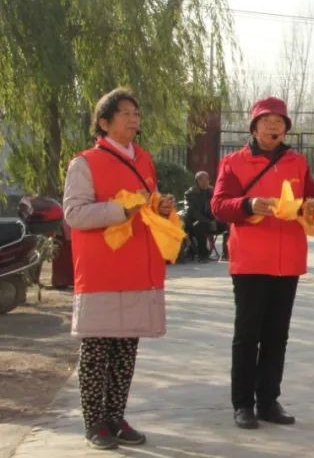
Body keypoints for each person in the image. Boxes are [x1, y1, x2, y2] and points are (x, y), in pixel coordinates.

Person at [63, 88, 177, 450]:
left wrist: (160, 207)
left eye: (136, 113)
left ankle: (116, 416)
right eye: (125, 113)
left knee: (126, 349)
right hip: (101, 272)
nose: (134, 119)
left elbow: (147, 204)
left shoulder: (144, 159)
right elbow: (75, 214)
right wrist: (120, 210)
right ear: (103, 122)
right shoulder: (85, 163)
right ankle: (94, 422)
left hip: (138, 268)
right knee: (97, 350)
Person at [211, 96, 314, 430]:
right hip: (249, 259)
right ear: (254, 126)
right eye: (266, 121)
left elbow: (312, 201)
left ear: (286, 127)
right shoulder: (233, 162)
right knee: (247, 334)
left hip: (288, 259)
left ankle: (268, 400)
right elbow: (219, 206)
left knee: (277, 334)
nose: (274, 126)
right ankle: (243, 404)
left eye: (280, 122)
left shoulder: (297, 163)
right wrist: (248, 204)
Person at [183, 171, 216, 262]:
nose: (205, 182)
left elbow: (218, 206)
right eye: (201, 179)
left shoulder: (212, 191)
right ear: (197, 181)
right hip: (194, 222)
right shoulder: (190, 193)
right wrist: (209, 222)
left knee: (229, 223)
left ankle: (227, 253)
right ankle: (202, 255)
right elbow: (192, 212)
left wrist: (216, 219)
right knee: (200, 225)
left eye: (207, 179)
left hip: (211, 221)